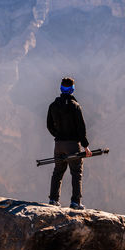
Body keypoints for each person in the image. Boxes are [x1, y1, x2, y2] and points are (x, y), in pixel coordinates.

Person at [47, 77, 92, 210]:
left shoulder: (53, 106)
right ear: (72, 90)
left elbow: (49, 125)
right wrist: (86, 147)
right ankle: (75, 202)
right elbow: (81, 128)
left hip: (59, 144)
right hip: (73, 144)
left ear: (61, 89)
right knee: (76, 172)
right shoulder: (75, 107)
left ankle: (53, 199)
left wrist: (58, 135)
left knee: (58, 171)